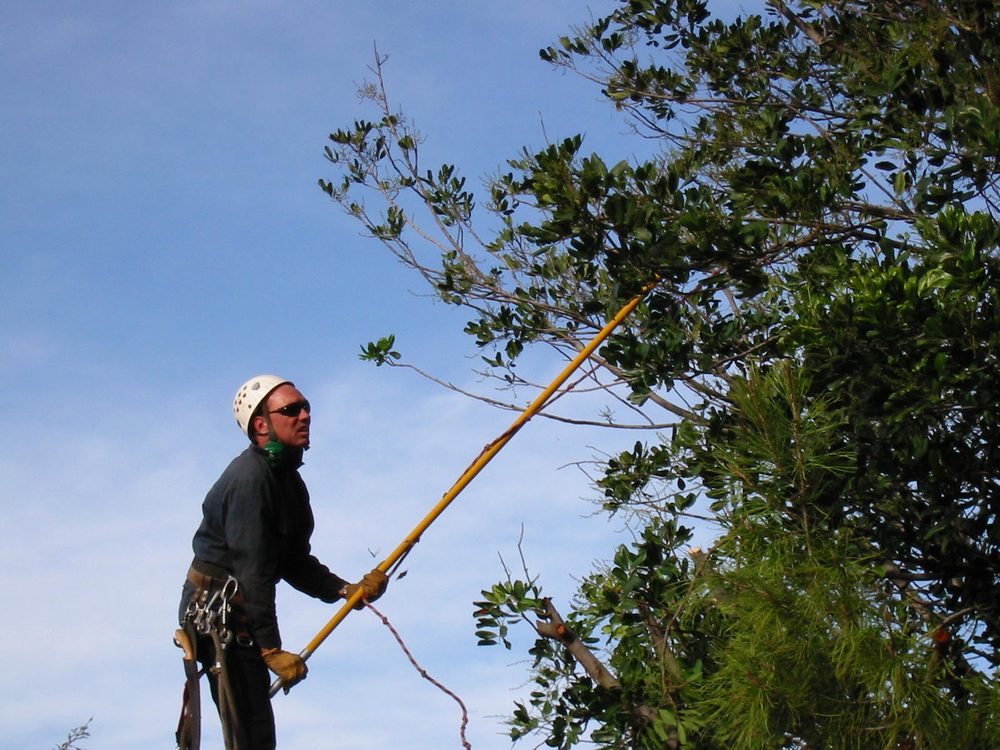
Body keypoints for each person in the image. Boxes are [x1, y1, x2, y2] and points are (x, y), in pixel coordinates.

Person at [176, 374, 387, 750]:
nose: (304, 416)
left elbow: (292, 560)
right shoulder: (251, 478)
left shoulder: (286, 480)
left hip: (240, 607)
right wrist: (271, 649)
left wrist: (344, 590)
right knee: (250, 732)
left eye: (306, 407)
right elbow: (253, 570)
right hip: (218, 613)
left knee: (257, 730)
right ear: (261, 425)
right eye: (291, 410)